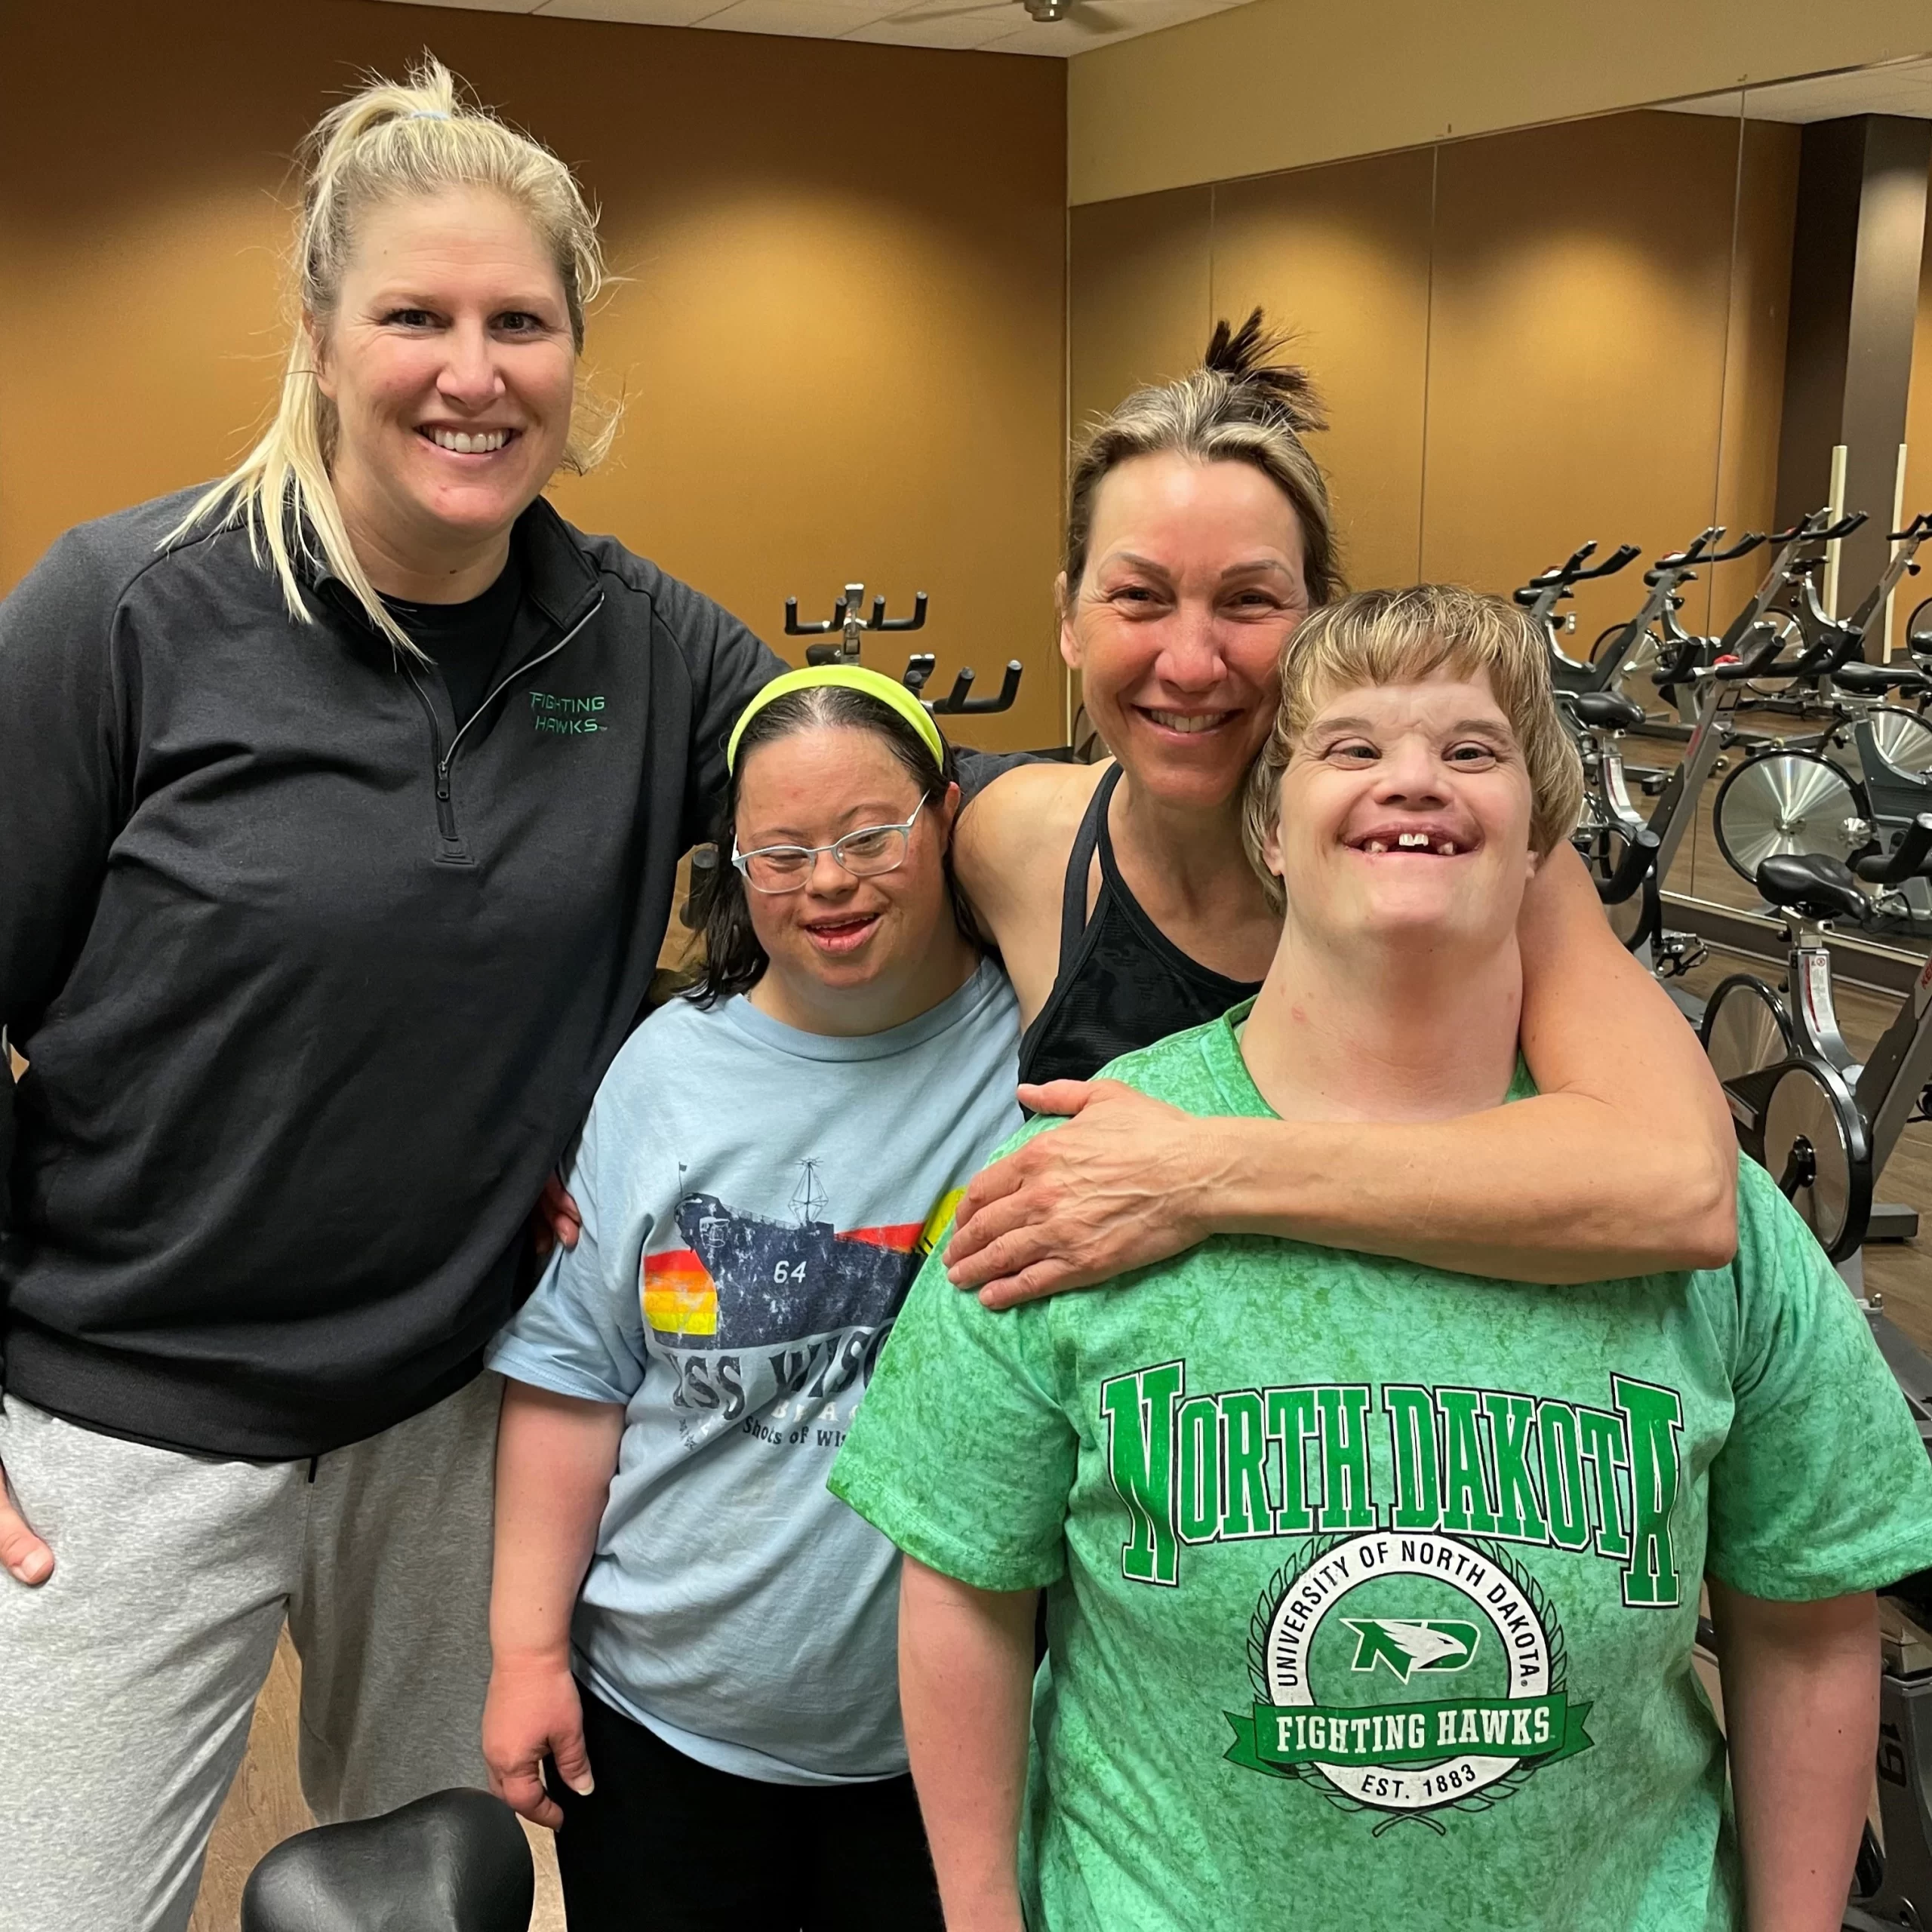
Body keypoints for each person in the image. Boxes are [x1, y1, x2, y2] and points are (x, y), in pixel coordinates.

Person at [832, 584, 1932, 1932]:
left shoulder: (1699, 1213)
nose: (1415, 778)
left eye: (1472, 751)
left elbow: (1809, 1610)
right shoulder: (1089, 1180)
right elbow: (964, 1588)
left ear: (1539, 838)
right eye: (1351, 748)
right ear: (1272, 829)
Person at [0, 61, 786, 1932]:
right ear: (319, 338)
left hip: (453, 1409)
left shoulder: (642, 638)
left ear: (575, 354)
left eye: (520, 321)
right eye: (415, 316)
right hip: (128, 1411)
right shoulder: (124, 608)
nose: (472, 369)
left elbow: (871, 806)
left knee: (436, 1902)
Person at [940, 316, 1737, 1308]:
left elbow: (1680, 1187)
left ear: (1320, 617)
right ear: (1067, 618)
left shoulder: (1464, 872)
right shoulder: (1009, 836)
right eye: (1139, 598)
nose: (1190, 663)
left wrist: (1199, 1176)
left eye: (1248, 602)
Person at [480, 669, 1017, 1929]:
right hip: (663, 1725)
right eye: (780, 854)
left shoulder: (1031, 1045)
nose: (827, 882)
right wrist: (526, 1655)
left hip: (946, 1748)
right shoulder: (667, 1071)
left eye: (869, 836)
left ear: (947, 817)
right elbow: (575, 1376)